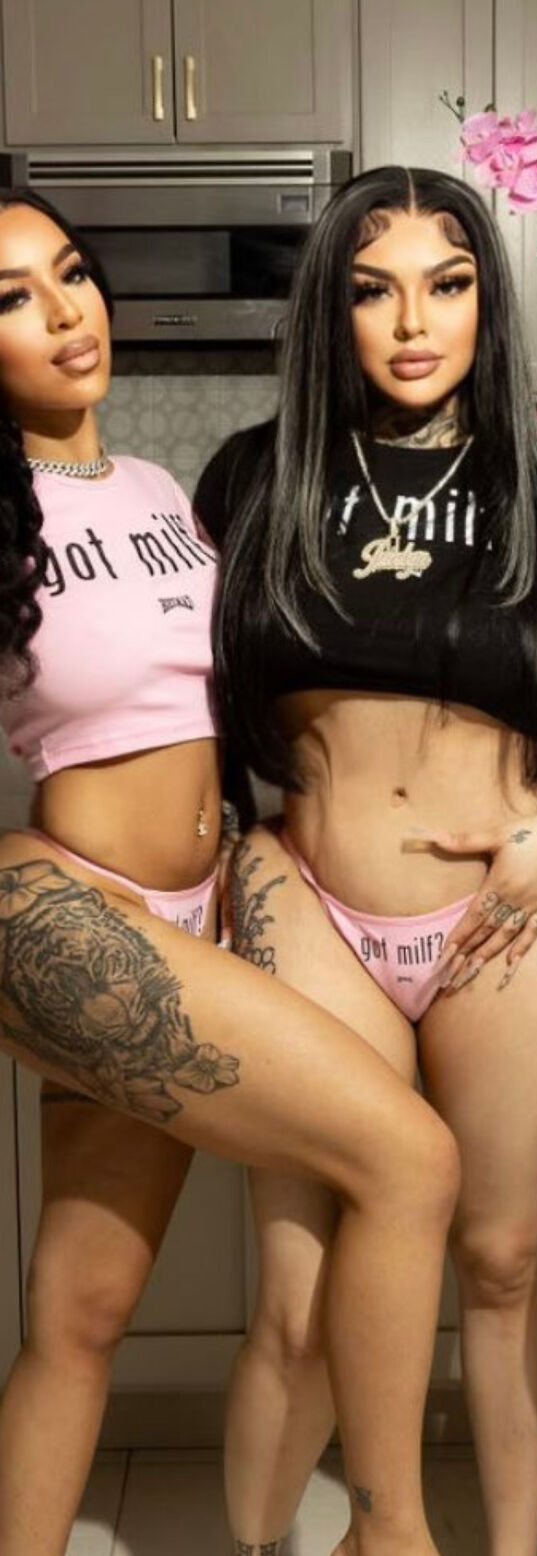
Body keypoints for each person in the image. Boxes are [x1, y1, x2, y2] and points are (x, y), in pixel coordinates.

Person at [0, 185, 461, 1556]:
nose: (66, 312)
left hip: (197, 912)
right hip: (73, 906)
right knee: (410, 1160)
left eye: (71, 272)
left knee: (79, 1310)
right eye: (11, 299)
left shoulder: (155, 488)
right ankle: (394, 1537)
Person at [198, 165, 537, 1556]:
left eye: (447, 284)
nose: (411, 321)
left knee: (502, 1256)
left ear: (487, 305)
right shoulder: (254, 477)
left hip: (517, 913)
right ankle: (293, 1541)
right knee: (302, 1285)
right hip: (312, 903)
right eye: (372, 289)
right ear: (331, 308)